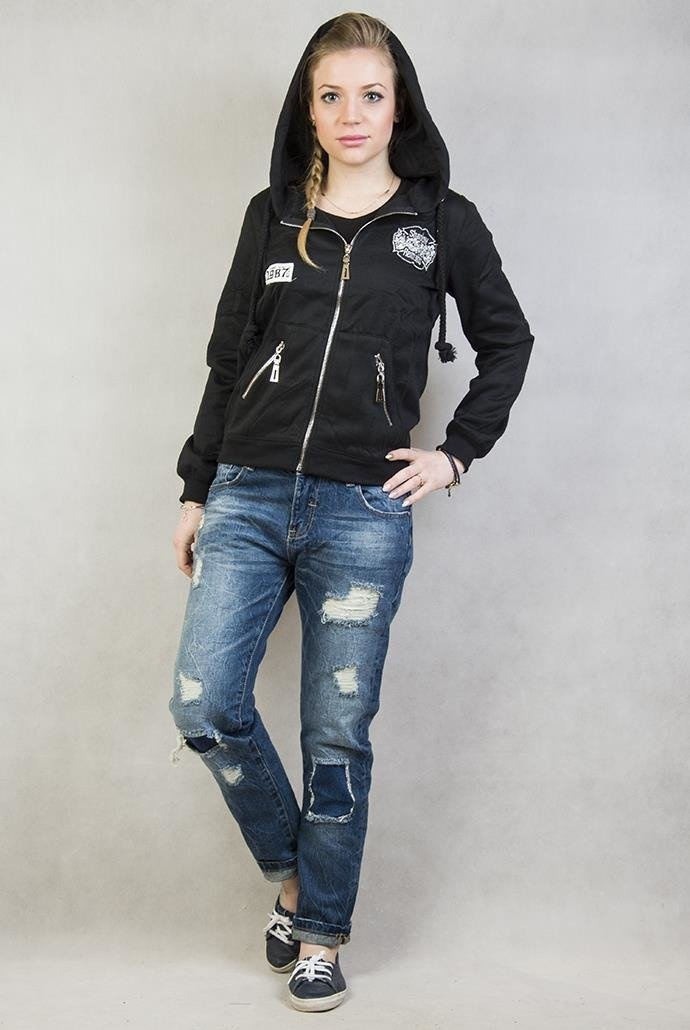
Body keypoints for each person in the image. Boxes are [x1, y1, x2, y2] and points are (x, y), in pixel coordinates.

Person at [168, 10, 534, 1013]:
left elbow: (508, 342)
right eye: (331, 95)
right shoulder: (272, 214)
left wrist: (456, 454)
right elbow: (228, 356)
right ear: (308, 108)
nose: (351, 113)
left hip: (362, 512)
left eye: (371, 94)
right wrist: (197, 485)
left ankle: (321, 932)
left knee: (336, 733)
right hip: (247, 492)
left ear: (400, 104)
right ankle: (297, 877)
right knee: (204, 704)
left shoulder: (440, 223)